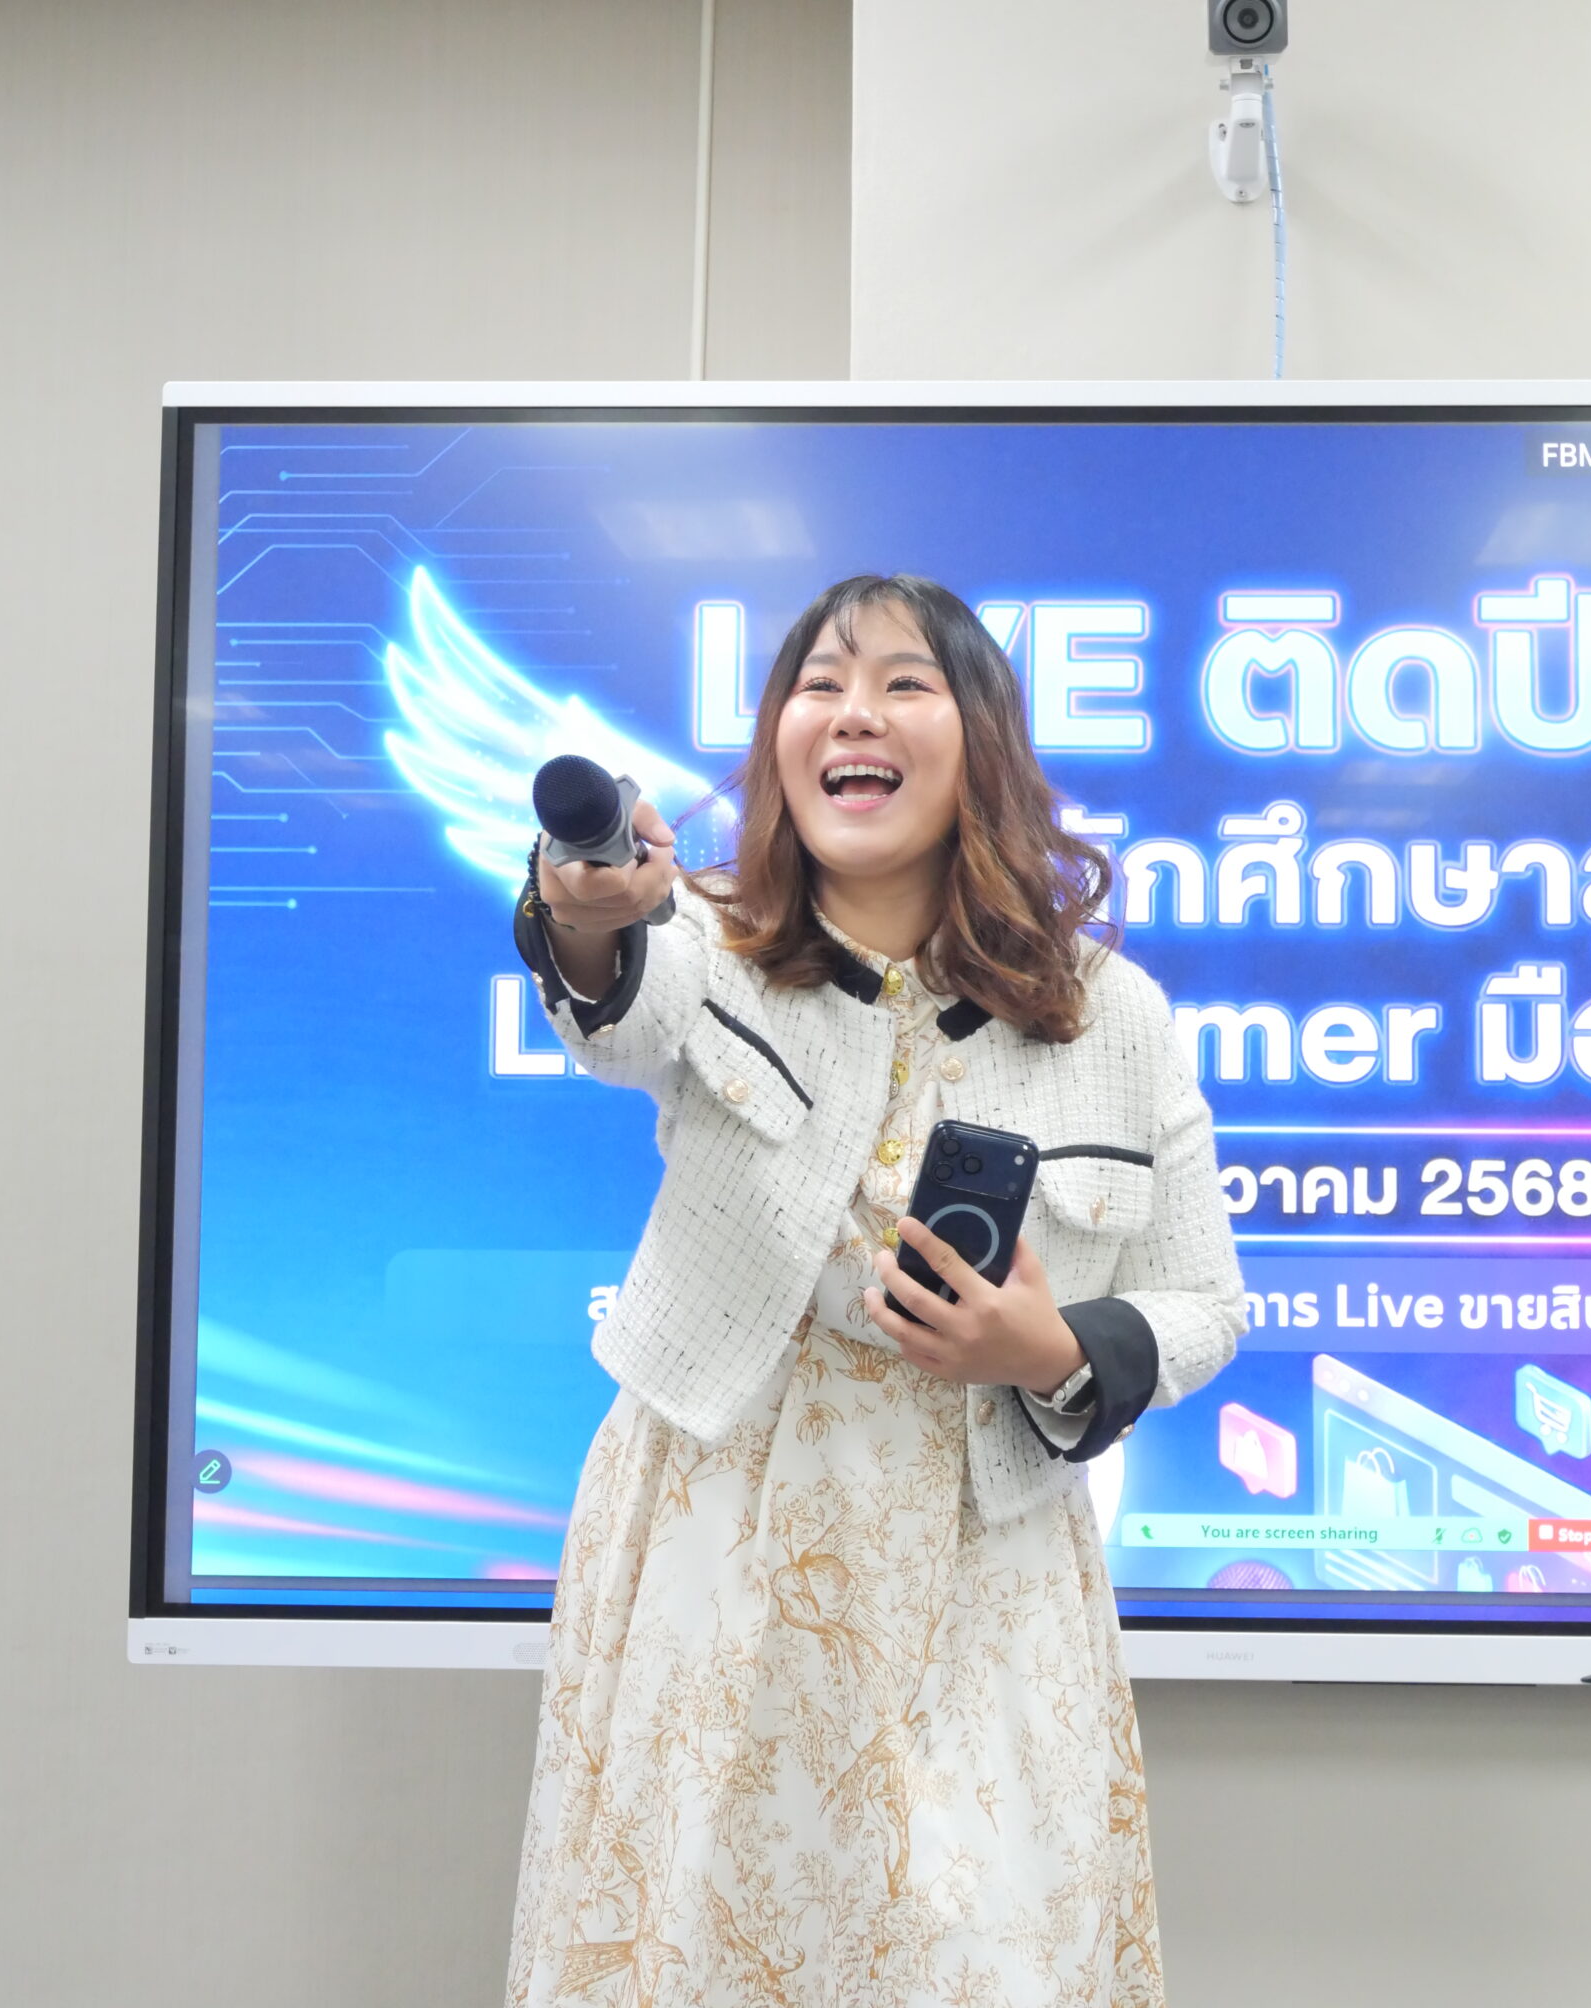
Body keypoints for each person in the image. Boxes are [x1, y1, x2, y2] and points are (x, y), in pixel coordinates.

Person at [504, 573, 1245, 2008]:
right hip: (714, 1537)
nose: (855, 713)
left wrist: (1047, 1348)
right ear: (780, 744)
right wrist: (583, 908)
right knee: (692, 1948)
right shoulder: (703, 942)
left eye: (905, 683)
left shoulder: (1112, 1016)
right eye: (820, 685)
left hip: (987, 1571)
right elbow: (611, 1003)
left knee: (984, 1956)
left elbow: (1203, 1300)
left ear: (981, 741)